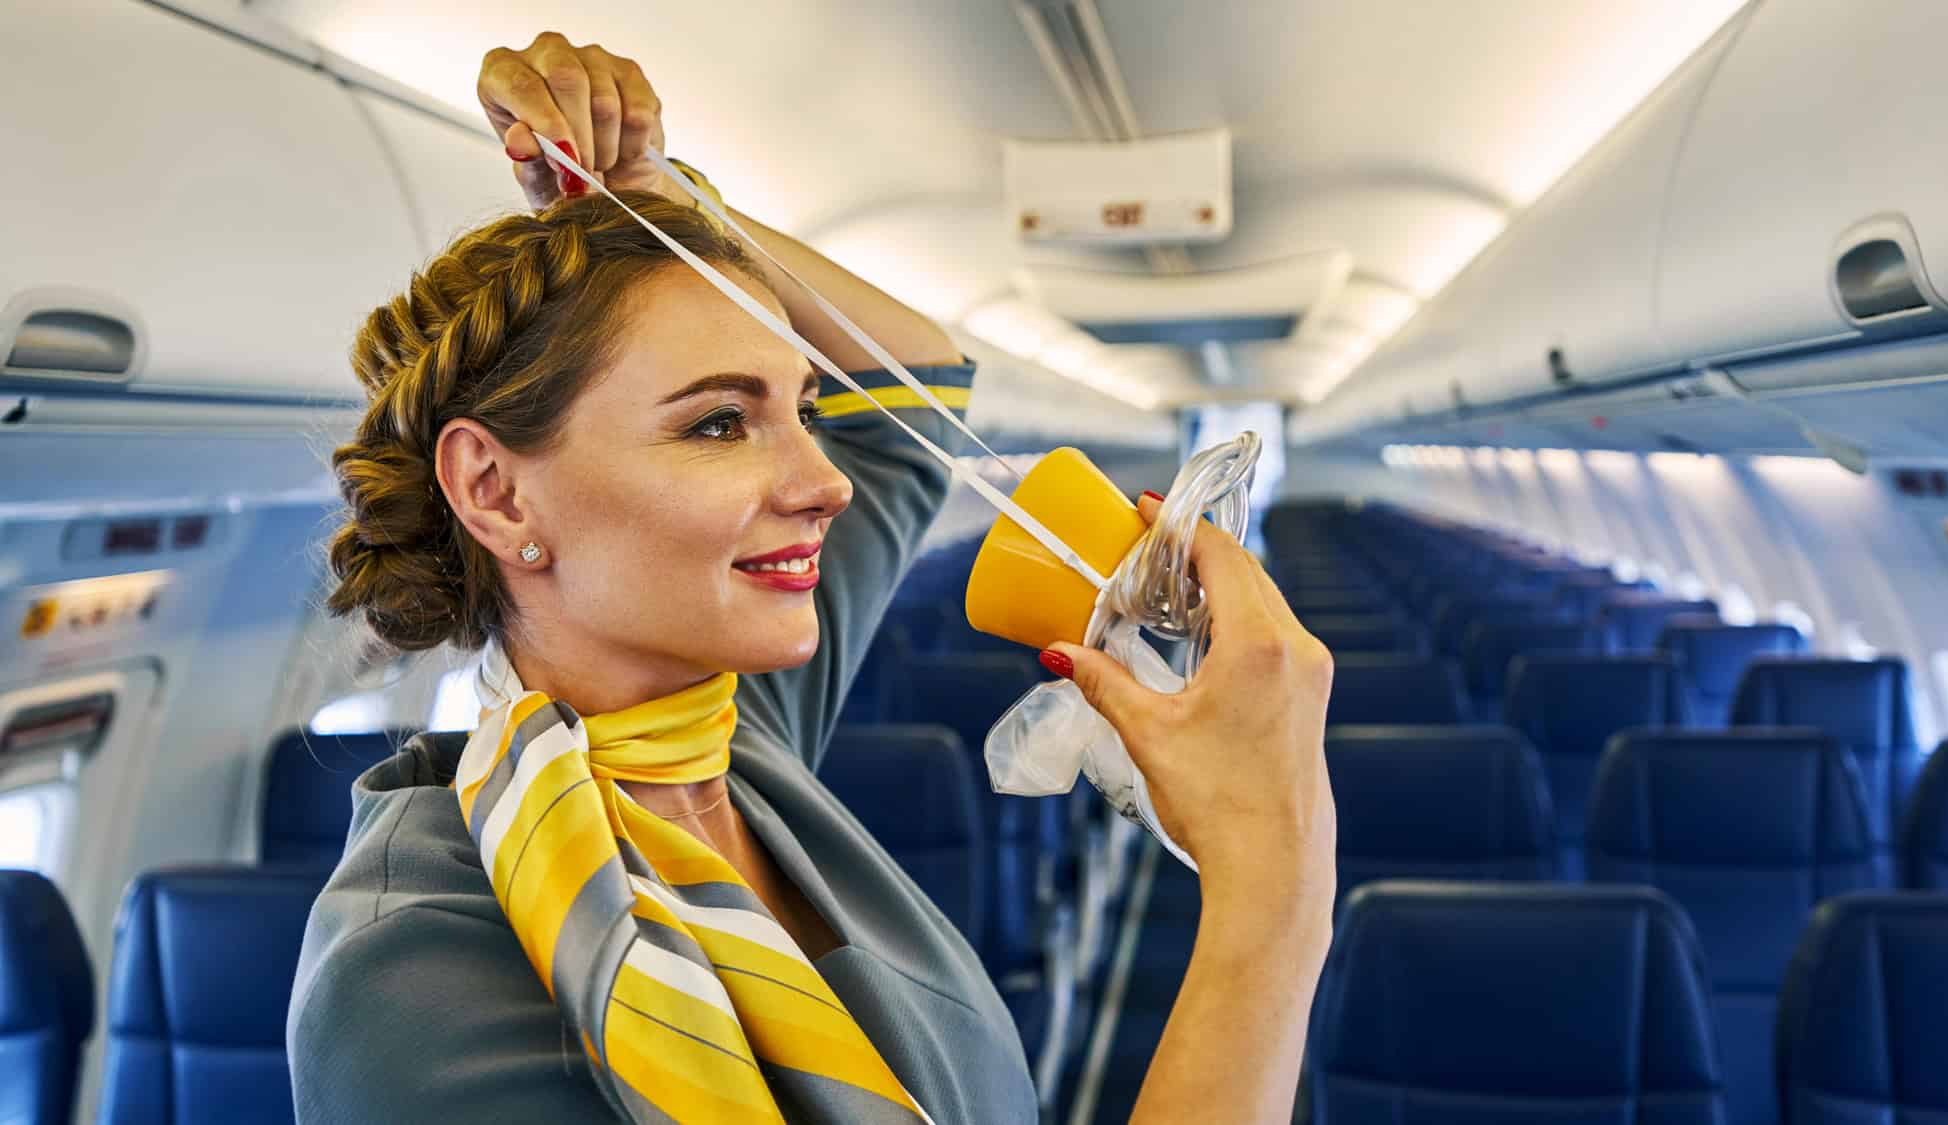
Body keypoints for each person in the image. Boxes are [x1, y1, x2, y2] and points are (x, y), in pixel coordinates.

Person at [287, 31, 1337, 1125]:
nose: (827, 482)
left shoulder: (731, 733)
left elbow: (909, 392)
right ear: (496, 492)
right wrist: (1274, 885)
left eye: (800, 409)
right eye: (720, 422)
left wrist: (665, 202)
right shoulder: (409, 983)